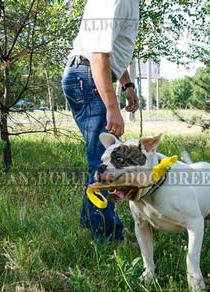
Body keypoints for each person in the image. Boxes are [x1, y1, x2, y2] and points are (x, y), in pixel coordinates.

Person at [62, 0, 140, 242]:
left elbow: (112, 48)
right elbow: (98, 56)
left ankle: (90, 221)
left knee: (99, 159)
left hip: (90, 76)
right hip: (88, 76)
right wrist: (112, 107)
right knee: (105, 162)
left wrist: (126, 84)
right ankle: (107, 236)